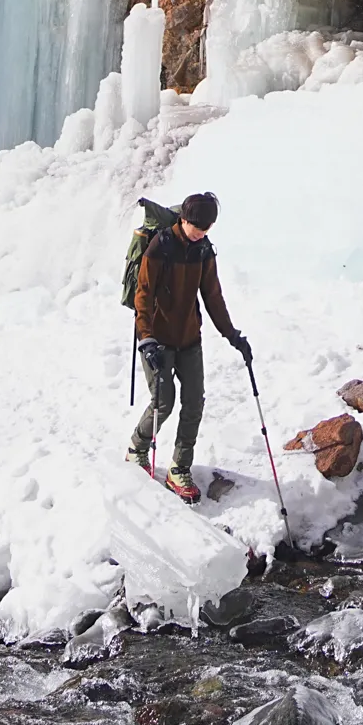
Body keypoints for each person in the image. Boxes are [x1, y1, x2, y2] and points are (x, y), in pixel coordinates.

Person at [127, 189, 250, 500]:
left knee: (194, 403)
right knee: (163, 402)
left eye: (207, 229)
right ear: (183, 220)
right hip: (157, 338)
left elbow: (213, 297)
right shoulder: (161, 246)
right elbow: (143, 295)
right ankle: (137, 448)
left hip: (189, 339)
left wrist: (232, 335)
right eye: (198, 228)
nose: (202, 234)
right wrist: (146, 338)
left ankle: (180, 469)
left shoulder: (203, 251)